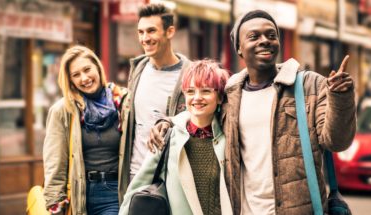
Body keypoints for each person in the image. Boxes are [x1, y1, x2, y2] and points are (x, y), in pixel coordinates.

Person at [149, 10, 356, 215]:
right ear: (239, 49)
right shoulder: (230, 94)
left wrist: (340, 97)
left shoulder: (309, 85)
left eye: (271, 35)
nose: (265, 41)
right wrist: (167, 123)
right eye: (254, 36)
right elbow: (200, 113)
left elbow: (337, 142)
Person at [119, 60, 232, 215]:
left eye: (206, 91)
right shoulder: (167, 136)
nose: (197, 98)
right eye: (191, 91)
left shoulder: (229, 136)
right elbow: (138, 187)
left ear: (219, 97)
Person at [43, 45, 129, 215]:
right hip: (77, 193)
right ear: (70, 80)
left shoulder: (124, 102)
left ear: (98, 67)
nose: (84, 78)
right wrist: (54, 201)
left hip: (115, 192)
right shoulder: (63, 110)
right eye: (76, 75)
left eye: (87, 69)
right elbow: (55, 159)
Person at [119, 3, 191, 197]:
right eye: (140, 32)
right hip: (135, 175)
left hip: (170, 178)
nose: (145, 38)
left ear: (170, 31)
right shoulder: (138, 69)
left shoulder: (189, 74)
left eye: (151, 31)